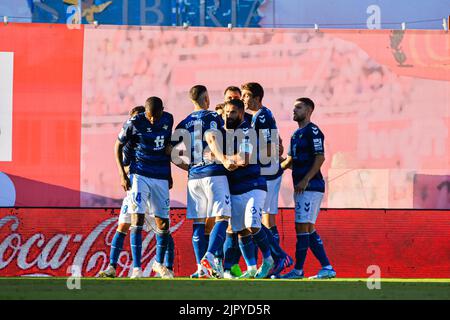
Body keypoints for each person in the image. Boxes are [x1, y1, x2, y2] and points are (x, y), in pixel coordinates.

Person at [100, 106, 176, 279]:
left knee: (163, 225)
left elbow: (166, 150)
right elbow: (123, 158)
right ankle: (122, 267)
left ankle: (166, 266)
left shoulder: (167, 120)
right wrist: (123, 175)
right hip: (138, 181)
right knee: (127, 223)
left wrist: (169, 172)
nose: (150, 121)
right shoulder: (130, 138)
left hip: (159, 178)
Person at [172, 85, 231, 279]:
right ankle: (210, 255)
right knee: (222, 217)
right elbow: (213, 138)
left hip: (194, 176)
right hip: (214, 172)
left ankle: (200, 268)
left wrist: (187, 166)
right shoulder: (212, 116)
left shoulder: (183, 123)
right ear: (206, 98)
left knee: (199, 223)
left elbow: (170, 152)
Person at [280, 97, 336, 279]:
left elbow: (320, 157)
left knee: (302, 227)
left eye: (299, 107)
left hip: (310, 187)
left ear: (309, 110)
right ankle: (327, 267)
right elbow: (289, 162)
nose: (294, 110)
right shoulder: (295, 135)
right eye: (294, 107)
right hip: (302, 188)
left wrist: (305, 179)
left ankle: (298, 270)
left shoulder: (313, 131)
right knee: (307, 228)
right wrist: (271, 162)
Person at [241, 82, 293, 276]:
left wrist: (245, 157)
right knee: (262, 219)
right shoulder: (259, 116)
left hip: (268, 175)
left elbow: (268, 147)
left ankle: (278, 258)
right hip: (267, 173)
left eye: (246, 95)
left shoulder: (261, 116)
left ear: (256, 98)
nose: (244, 99)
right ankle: (274, 260)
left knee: (263, 219)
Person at [221, 98, 275, 278]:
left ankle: (268, 259)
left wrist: (227, 159)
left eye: (233, 112)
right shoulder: (225, 132)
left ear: (242, 113)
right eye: (227, 112)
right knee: (240, 230)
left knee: (252, 223)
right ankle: (251, 267)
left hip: (253, 185)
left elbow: (244, 158)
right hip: (235, 188)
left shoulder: (247, 130)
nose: (229, 116)